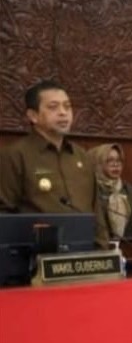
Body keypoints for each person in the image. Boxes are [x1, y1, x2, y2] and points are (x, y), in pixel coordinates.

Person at [0, 80, 109, 246]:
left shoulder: (82, 157)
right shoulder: (14, 156)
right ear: (33, 115)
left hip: (84, 253)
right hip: (38, 255)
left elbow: (96, 213)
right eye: (53, 107)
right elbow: (4, 214)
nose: (63, 113)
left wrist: (103, 252)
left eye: (67, 106)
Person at [88, 143, 132, 239]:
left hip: (130, 245)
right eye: (109, 160)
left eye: (119, 160)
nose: (116, 164)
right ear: (97, 163)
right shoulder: (91, 189)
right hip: (102, 245)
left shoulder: (128, 189)